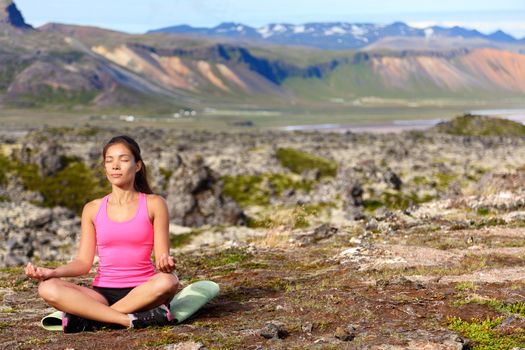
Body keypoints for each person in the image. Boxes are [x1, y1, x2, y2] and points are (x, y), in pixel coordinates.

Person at [25, 135, 180, 333]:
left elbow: (162, 258)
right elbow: (83, 263)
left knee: (168, 280)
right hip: (102, 294)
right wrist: (52, 272)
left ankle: (93, 319)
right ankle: (128, 320)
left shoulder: (154, 203)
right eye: (109, 160)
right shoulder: (92, 208)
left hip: (143, 290)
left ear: (138, 165)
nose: (115, 166)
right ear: (105, 167)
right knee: (47, 288)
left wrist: (167, 264)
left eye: (123, 160)